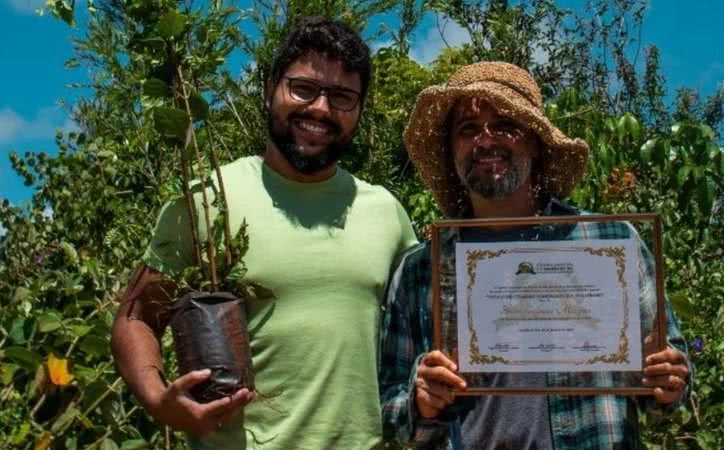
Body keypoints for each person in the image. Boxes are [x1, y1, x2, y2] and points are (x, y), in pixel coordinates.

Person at [111, 16, 417, 450]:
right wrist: (161, 401)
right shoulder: (208, 198)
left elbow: (423, 332)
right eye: (303, 89)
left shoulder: (386, 213)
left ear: (360, 110)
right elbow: (136, 318)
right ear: (270, 86)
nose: (320, 110)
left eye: (342, 97)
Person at [379, 61, 690, 449]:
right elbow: (389, 412)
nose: (486, 141)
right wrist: (420, 402)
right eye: (468, 129)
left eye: (506, 125)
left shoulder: (609, 243)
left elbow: (667, 392)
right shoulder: (419, 270)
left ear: (535, 143)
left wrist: (667, 380)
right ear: (451, 150)